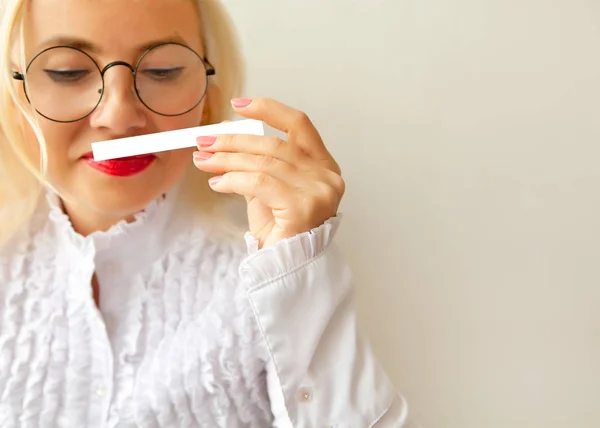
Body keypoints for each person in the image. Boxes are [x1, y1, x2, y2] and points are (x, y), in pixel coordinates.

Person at [0, 0, 418, 426]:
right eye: (68, 72)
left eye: (161, 70)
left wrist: (297, 275)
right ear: (14, 100)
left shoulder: (268, 272)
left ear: (206, 101)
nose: (119, 115)